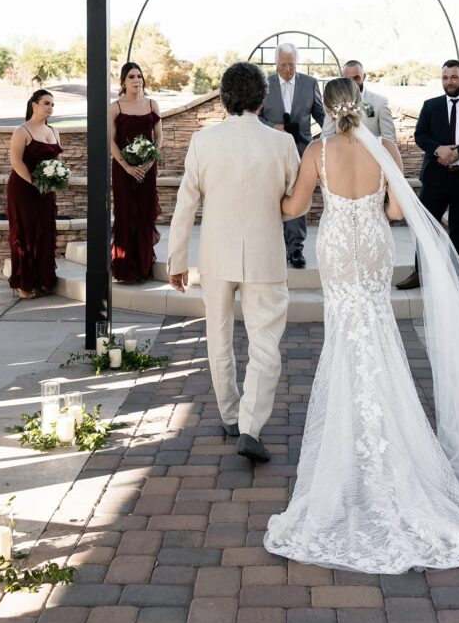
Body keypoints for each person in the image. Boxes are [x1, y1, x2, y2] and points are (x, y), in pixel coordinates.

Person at [263, 77, 459, 573]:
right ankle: (395, 448)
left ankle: (346, 451)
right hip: (375, 248)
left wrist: (268, 197)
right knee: (378, 334)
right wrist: (375, 202)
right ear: (360, 105)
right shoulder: (385, 146)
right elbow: (394, 210)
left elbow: (295, 208)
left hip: (339, 249)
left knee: (344, 339)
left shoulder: (316, 151)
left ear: (326, 107)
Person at [167, 62, 300, 462]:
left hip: (215, 254)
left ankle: (229, 414)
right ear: (263, 98)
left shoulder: (203, 142)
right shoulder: (283, 144)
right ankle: (250, 427)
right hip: (265, 255)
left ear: (224, 98)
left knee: (219, 337)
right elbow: (294, 203)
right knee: (265, 345)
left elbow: (185, 204)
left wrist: (176, 259)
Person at [398, 59, 459, 289]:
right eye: (445, 77)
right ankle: (420, 272)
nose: (449, 82)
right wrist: (438, 149)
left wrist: (458, 151)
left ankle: (458, 276)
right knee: (426, 226)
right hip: (435, 178)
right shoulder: (431, 105)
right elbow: (420, 135)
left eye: (454, 77)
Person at [260, 43, 324, 269]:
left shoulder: (310, 83)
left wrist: (331, 141)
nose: (287, 69)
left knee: (298, 197)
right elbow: (253, 116)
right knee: (270, 198)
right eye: (283, 64)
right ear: (276, 63)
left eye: (291, 64)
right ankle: (271, 247)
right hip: (270, 151)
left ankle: (296, 249)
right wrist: (271, 126)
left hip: (301, 151)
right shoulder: (264, 84)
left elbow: (322, 116)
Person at [7, 89, 62, 299]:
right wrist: (34, 182)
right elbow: (16, 162)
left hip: (45, 190)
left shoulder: (54, 132)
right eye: (47, 103)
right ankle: (24, 284)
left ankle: (42, 280)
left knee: (45, 232)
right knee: (26, 233)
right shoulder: (22, 131)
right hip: (23, 188)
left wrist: (57, 178)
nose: (50, 107)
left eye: (52, 105)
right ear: (34, 105)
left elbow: (57, 161)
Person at [111, 62, 162, 283]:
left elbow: (159, 137)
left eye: (139, 76)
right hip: (123, 170)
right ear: (123, 81)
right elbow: (110, 141)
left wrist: (150, 163)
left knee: (144, 213)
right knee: (125, 213)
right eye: (131, 77)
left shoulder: (152, 104)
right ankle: (125, 269)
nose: (136, 80)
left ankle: (143, 267)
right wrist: (126, 166)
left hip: (148, 168)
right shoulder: (116, 107)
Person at [321, 60, 397, 142]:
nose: (352, 82)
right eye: (348, 79)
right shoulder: (334, 103)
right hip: (342, 153)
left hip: (371, 153)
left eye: (356, 78)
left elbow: (390, 138)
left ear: (364, 76)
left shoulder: (380, 102)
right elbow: (325, 136)